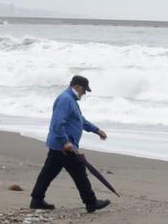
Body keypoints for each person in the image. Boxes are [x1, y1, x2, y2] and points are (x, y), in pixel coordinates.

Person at [29, 74, 111, 213]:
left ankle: (37, 199)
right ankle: (91, 202)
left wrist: (96, 130)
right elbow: (57, 123)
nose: (84, 93)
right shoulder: (66, 100)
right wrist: (65, 142)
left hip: (59, 146)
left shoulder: (71, 100)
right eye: (84, 90)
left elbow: (80, 120)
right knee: (79, 174)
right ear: (77, 86)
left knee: (48, 173)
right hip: (65, 147)